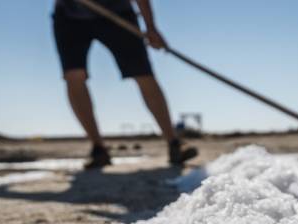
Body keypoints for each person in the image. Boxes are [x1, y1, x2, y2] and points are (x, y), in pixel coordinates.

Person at [52, 0, 198, 168]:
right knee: (74, 75)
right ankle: (98, 149)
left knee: (143, 73)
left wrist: (150, 26)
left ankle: (174, 143)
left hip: (118, 13)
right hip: (70, 16)